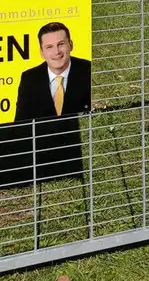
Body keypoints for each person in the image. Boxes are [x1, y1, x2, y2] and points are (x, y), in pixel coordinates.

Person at [8, 21, 92, 183]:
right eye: (49, 47)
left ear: (71, 45)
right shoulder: (29, 78)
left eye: (61, 44)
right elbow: (21, 124)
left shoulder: (88, 70)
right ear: (41, 52)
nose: (57, 52)